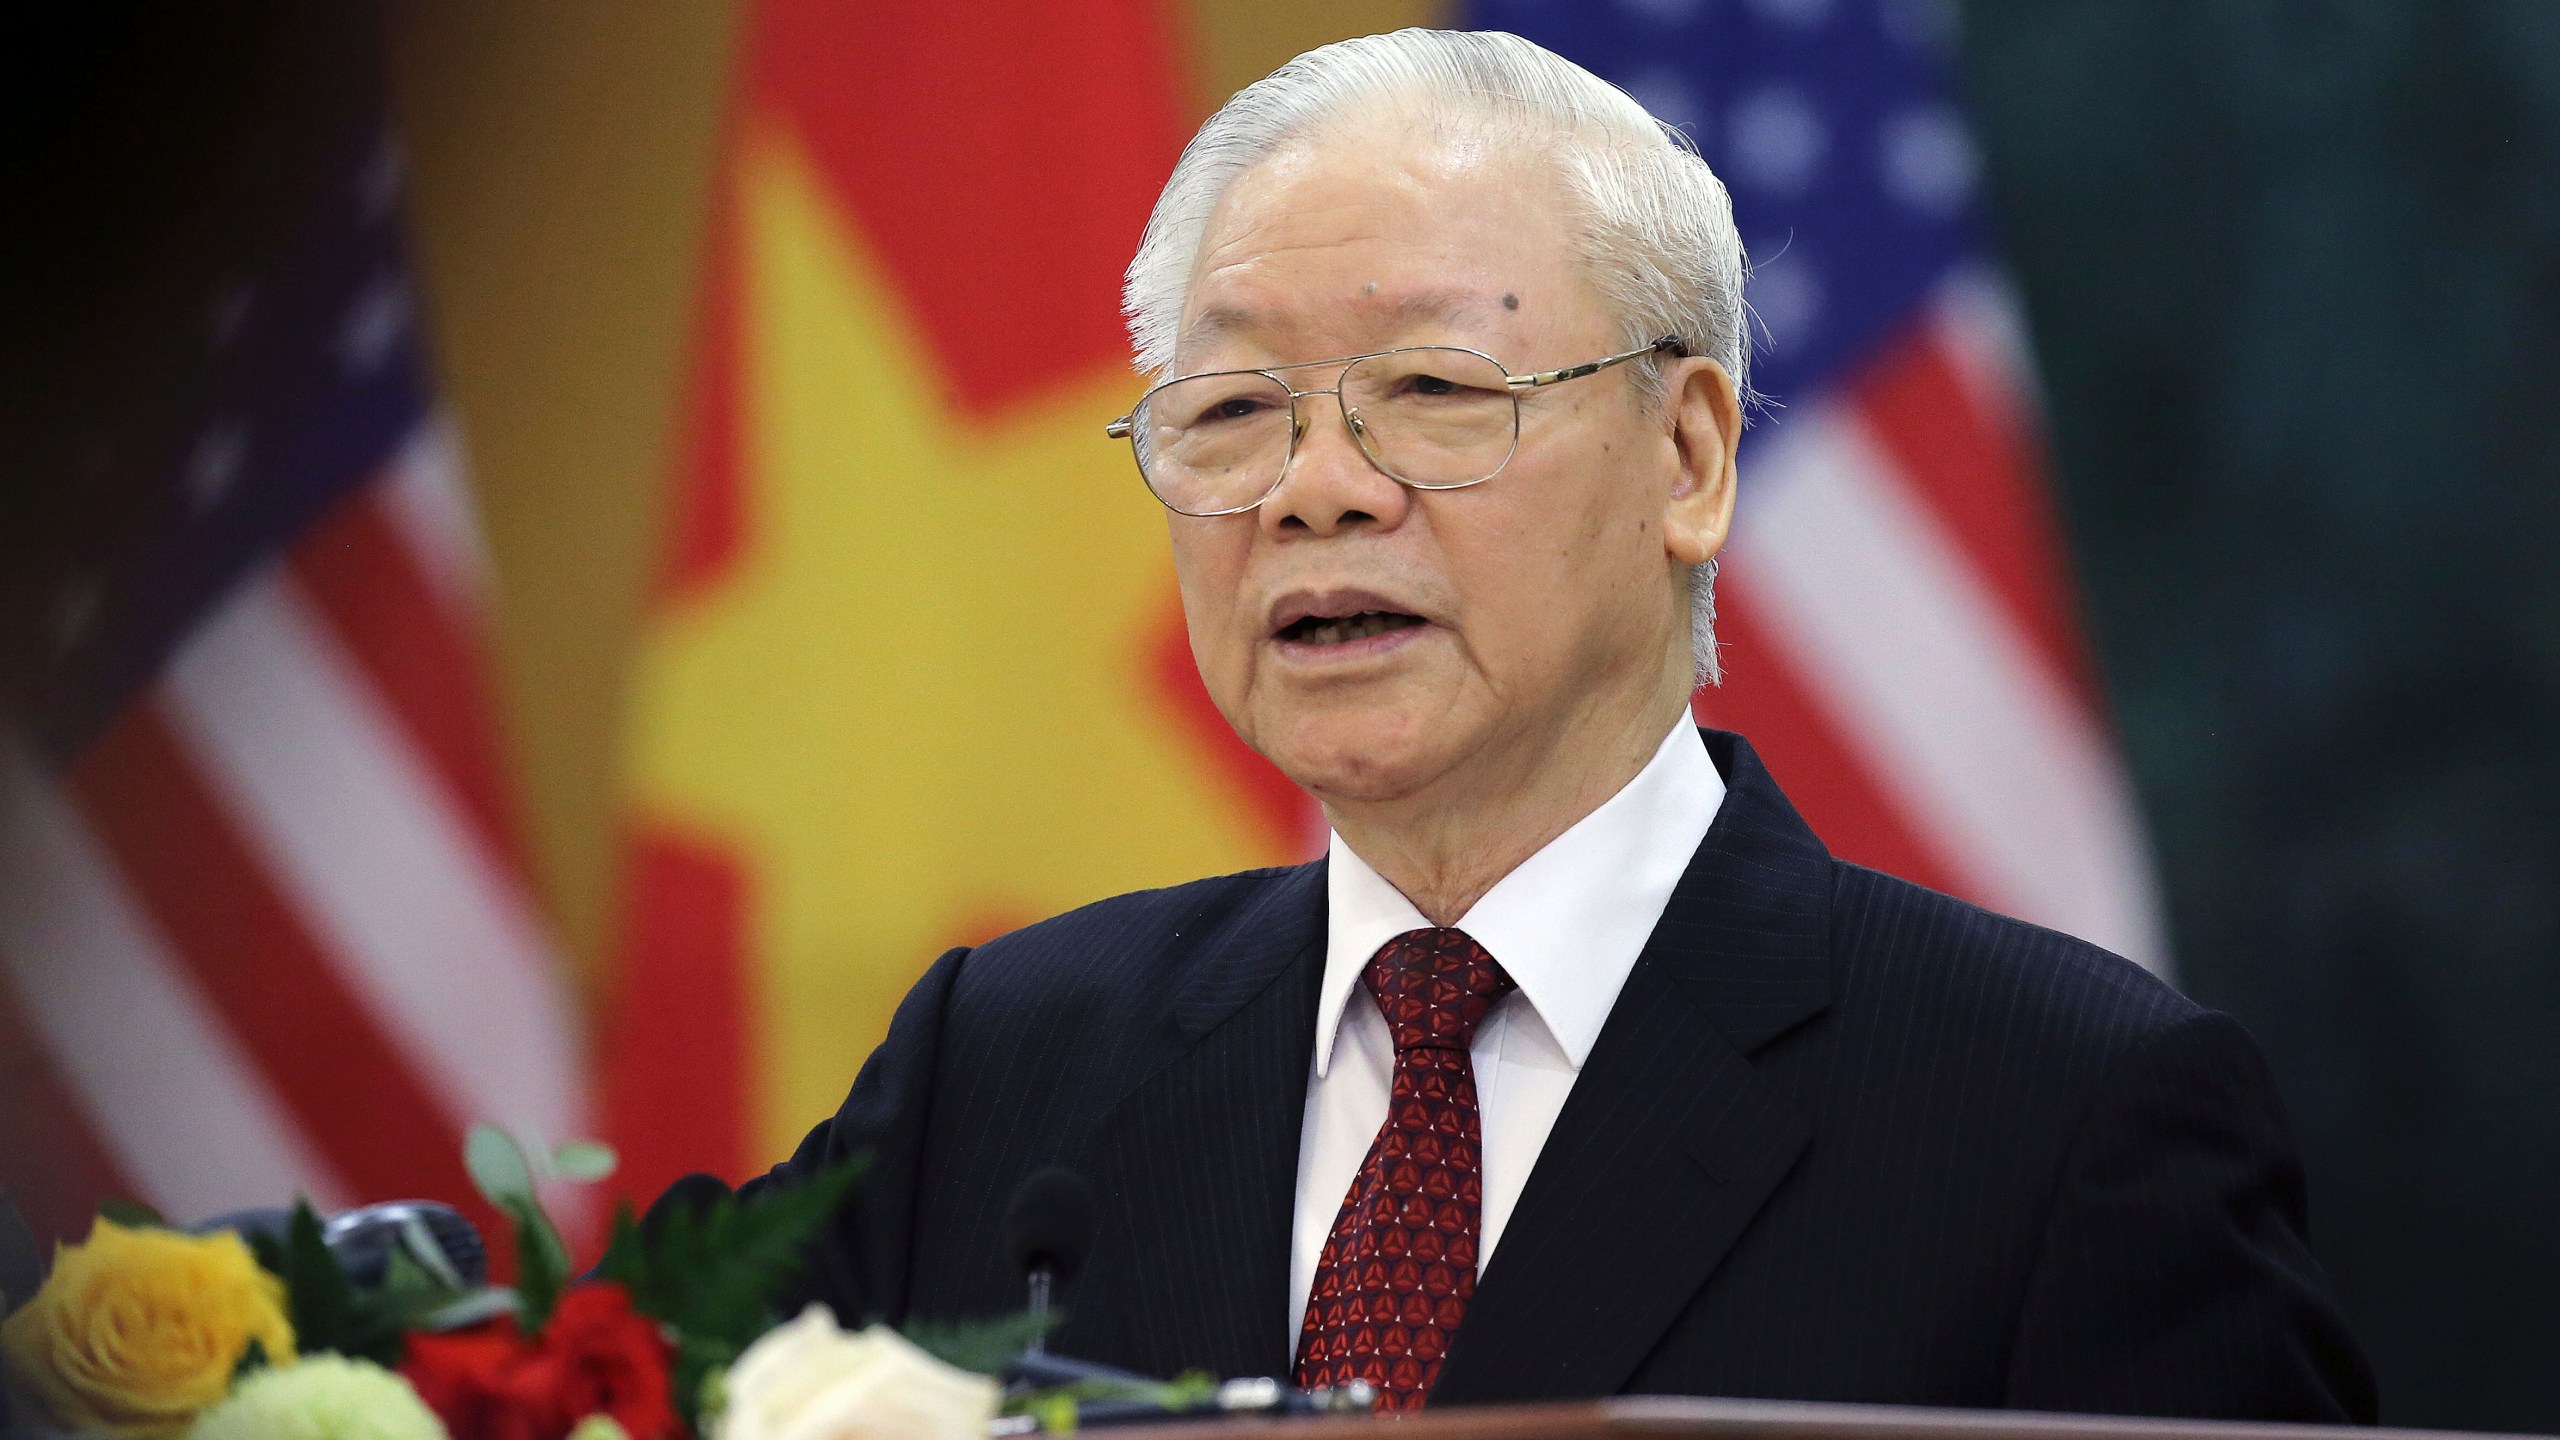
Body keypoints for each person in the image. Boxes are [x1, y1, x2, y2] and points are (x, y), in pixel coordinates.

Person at [736, 29, 2375, 1420]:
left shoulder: (2061, 1117)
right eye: (1233, 412)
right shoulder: (999, 1068)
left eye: (1436, 393)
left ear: (1689, 458)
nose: (1312, 492)